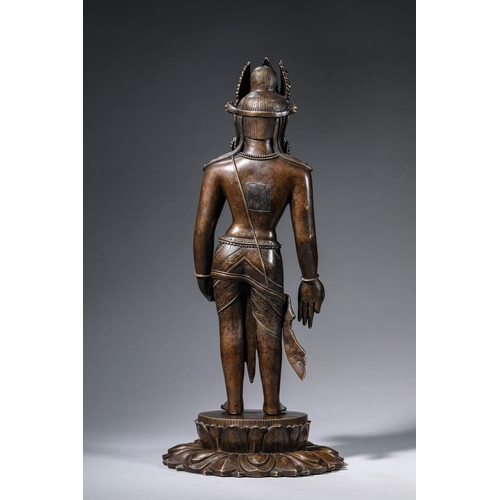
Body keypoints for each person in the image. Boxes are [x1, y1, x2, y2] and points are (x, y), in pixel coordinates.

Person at [193, 58, 325, 416]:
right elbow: (304, 234)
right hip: (265, 255)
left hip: (226, 253)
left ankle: (234, 406)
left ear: (240, 118)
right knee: (269, 330)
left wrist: (202, 272)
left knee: (229, 325)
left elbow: (203, 228)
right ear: (280, 120)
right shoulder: (294, 171)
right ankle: (270, 406)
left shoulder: (219, 168)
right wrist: (310, 278)